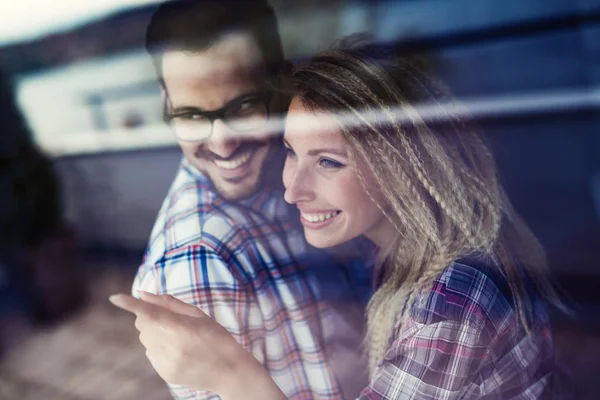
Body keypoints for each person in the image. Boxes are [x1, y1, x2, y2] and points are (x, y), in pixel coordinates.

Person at [114, 38, 565, 398]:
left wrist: (231, 372)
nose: (292, 190)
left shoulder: (457, 299)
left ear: (403, 165)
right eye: (291, 151)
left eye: (328, 161)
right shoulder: (398, 257)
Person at [131, 2, 370, 399]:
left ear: (283, 82)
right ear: (166, 101)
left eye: (243, 108)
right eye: (191, 116)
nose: (222, 144)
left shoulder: (296, 177)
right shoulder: (200, 258)